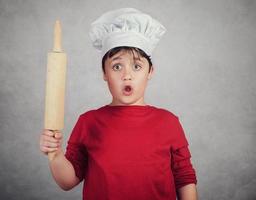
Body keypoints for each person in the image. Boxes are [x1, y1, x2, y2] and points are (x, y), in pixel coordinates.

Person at [40, 8, 198, 200]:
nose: (127, 75)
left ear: (150, 72)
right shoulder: (89, 122)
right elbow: (67, 181)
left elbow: (184, 178)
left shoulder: (168, 122)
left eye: (137, 66)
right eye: (116, 66)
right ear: (105, 74)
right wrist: (55, 154)